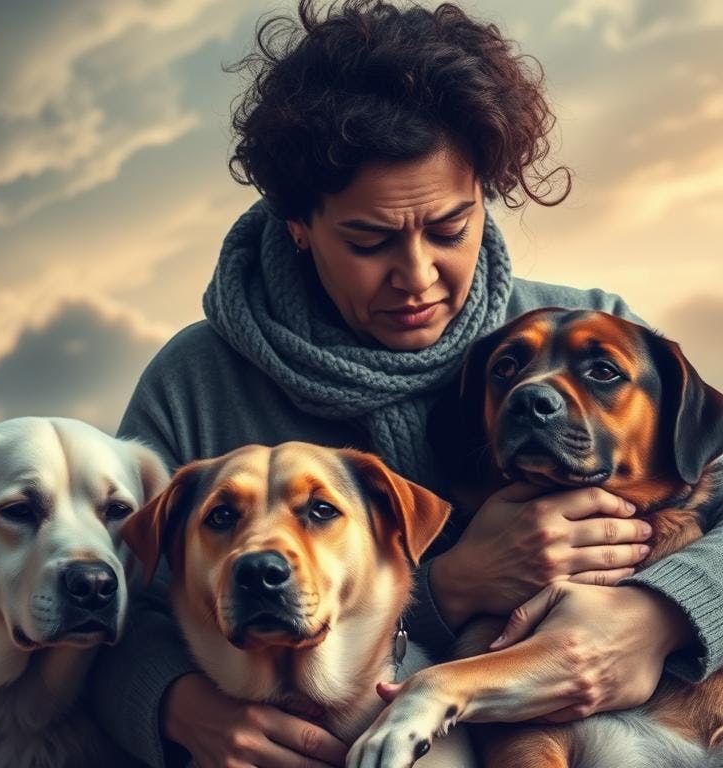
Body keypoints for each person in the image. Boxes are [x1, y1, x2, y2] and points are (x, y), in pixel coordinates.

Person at [89, 2, 723, 767]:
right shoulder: (196, 386)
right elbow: (108, 606)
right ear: (297, 221)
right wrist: (174, 705)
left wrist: (663, 615)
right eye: (370, 240)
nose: (418, 277)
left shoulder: (594, 332)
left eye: (451, 229)